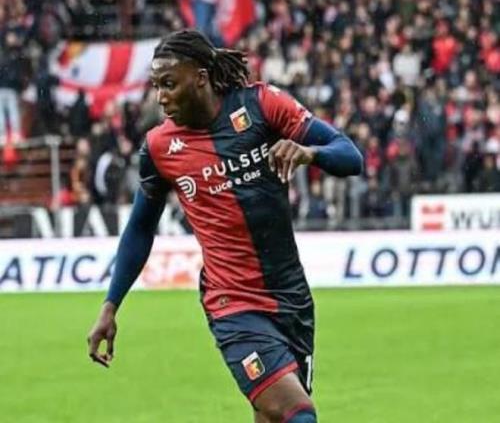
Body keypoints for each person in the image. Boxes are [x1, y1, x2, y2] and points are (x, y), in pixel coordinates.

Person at [87, 29, 363, 423]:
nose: (160, 96)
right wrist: (110, 305)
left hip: (292, 298)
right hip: (232, 303)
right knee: (298, 413)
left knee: (272, 417)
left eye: (169, 84)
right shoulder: (160, 148)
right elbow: (140, 228)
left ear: (200, 77)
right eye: (156, 85)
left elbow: (350, 157)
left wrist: (309, 152)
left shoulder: (262, 105)